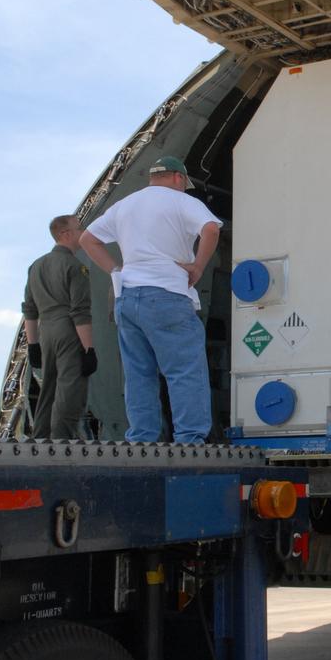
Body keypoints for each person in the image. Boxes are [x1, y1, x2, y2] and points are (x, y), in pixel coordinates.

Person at [80, 155, 221, 445]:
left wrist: (115, 270)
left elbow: (87, 239)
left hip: (128, 298)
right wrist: (198, 266)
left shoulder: (125, 205)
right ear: (178, 178)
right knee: (184, 370)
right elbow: (210, 229)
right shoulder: (181, 201)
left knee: (138, 373)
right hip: (167, 294)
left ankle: (142, 439)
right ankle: (190, 440)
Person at [22, 214, 97, 439]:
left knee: (49, 390)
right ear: (65, 234)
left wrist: (33, 345)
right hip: (69, 330)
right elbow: (80, 312)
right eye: (79, 228)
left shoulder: (36, 266)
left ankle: (41, 439)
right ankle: (60, 441)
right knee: (70, 389)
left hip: (46, 333)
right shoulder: (75, 266)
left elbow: (29, 310)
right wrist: (89, 349)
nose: (82, 232)